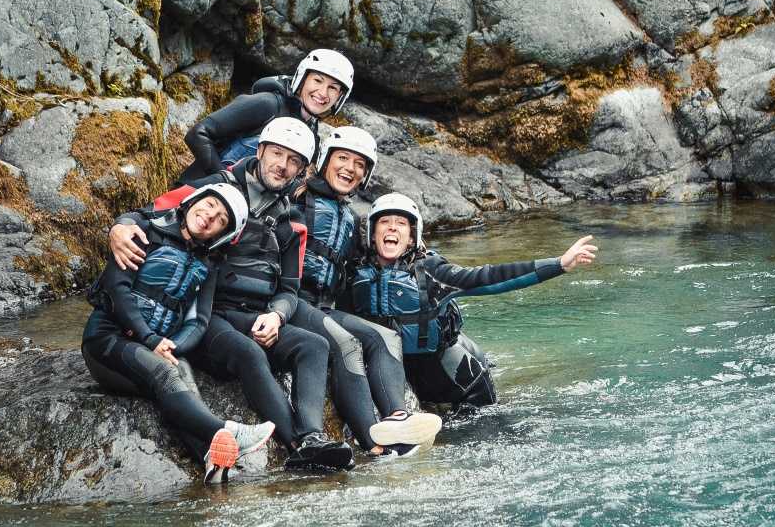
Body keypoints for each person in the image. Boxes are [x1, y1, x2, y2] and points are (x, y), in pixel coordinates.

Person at [108, 117, 354, 471]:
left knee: (314, 345)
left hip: (253, 314)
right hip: (206, 314)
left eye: (293, 161)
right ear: (261, 151)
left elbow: (288, 288)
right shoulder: (213, 189)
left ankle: (313, 436)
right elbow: (152, 214)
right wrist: (120, 226)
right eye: (277, 154)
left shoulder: (291, 222)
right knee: (248, 352)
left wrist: (277, 315)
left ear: (301, 171)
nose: (282, 166)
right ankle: (297, 446)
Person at [81, 183, 276, 484]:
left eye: (222, 219)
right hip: (107, 342)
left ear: (221, 235)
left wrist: (173, 346)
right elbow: (117, 291)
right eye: (210, 205)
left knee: (181, 374)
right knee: (165, 374)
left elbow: (198, 322)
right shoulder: (144, 232)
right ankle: (227, 431)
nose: (211, 216)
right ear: (194, 201)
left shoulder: (208, 266)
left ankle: (211, 461)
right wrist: (150, 339)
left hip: (155, 346)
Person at [342, 193, 597, 408]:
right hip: (401, 378)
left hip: (464, 388)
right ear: (372, 235)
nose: (392, 228)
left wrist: (559, 264)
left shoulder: (431, 272)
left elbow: (489, 277)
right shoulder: (355, 274)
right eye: (385, 222)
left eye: (401, 223)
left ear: (411, 237)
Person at [287, 126, 442, 459]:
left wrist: (416, 256)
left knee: (384, 337)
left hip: (323, 307)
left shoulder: (350, 218)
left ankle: (398, 417)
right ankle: (374, 444)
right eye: (342, 158)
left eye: (359, 164)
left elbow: (369, 261)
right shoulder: (296, 197)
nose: (350, 168)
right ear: (324, 161)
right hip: (289, 301)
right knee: (347, 344)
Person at [179, 49, 354, 183]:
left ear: (340, 97)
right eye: (317, 80)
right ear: (302, 78)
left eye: (333, 88)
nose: (323, 93)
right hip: (192, 199)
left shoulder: (312, 138)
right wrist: (225, 181)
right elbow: (198, 134)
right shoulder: (267, 104)